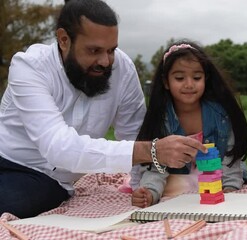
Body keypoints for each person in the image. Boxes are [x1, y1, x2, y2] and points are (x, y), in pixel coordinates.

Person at [0, 0, 205, 218]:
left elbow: (135, 132)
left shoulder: (122, 69)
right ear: (63, 39)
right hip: (8, 160)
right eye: (94, 50)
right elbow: (59, 147)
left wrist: (141, 188)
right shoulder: (30, 67)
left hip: (43, 180)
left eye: (111, 50)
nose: (105, 61)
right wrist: (152, 150)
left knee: (21, 198)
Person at [131, 40, 247, 207]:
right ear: (166, 82)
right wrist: (150, 192)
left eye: (196, 77)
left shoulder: (221, 114)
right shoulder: (161, 118)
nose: (189, 84)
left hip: (220, 177)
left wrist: (229, 188)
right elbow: (156, 164)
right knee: (175, 189)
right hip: (175, 179)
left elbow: (230, 156)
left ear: (205, 79)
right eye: (179, 78)